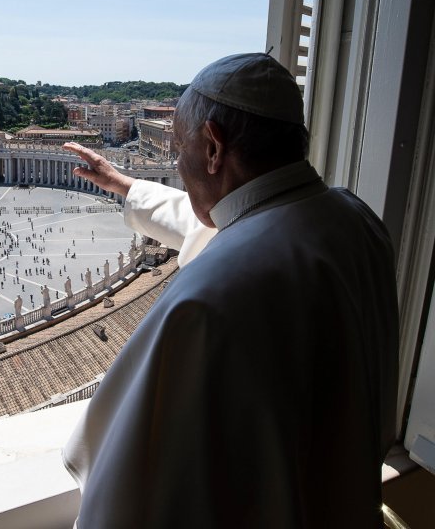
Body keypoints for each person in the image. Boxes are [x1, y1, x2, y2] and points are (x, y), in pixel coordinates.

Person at [61, 53, 398, 527]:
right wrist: (125, 185)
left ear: (214, 148)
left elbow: (130, 489)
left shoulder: (206, 298)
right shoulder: (356, 219)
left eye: (180, 148)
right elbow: (231, 222)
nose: (177, 165)